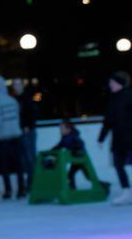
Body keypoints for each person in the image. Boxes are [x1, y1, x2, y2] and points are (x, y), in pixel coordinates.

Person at [0, 76, 25, 199]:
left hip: (3, 139)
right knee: (19, 165)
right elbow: (18, 119)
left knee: (5, 166)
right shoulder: (13, 101)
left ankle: (8, 190)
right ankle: (22, 189)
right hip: (16, 137)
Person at [98, 71, 132, 205]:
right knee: (118, 164)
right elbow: (108, 121)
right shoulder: (112, 99)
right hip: (118, 139)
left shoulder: (129, 96)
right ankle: (126, 191)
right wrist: (101, 138)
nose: (109, 84)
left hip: (130, 137)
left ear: (118, 83)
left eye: (112, 82)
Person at [12, 78, 38, 189]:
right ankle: (27, 184)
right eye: (14, 85)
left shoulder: (27, 98)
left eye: (18, 84)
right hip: (19, 132)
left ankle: (33, 183)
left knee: (29, 158)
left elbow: (33, 112)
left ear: (22, 85)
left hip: (27, 132)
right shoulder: (14, 99)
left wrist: (28, 126)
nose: (16, 86)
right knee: (23, 159)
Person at [50, 119, 90, 189]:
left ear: (68, 129)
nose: (60, 131)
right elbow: (59, 146)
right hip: (76, 160)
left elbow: (81, 144)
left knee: (88, 176)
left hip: (81, 159)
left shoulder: (73, 136)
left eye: (62, 129)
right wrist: (52, 150)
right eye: (60, 129)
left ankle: (104, 185)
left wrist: (76, 150)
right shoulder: (65, 138)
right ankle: (72, 188)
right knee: (71, 174)